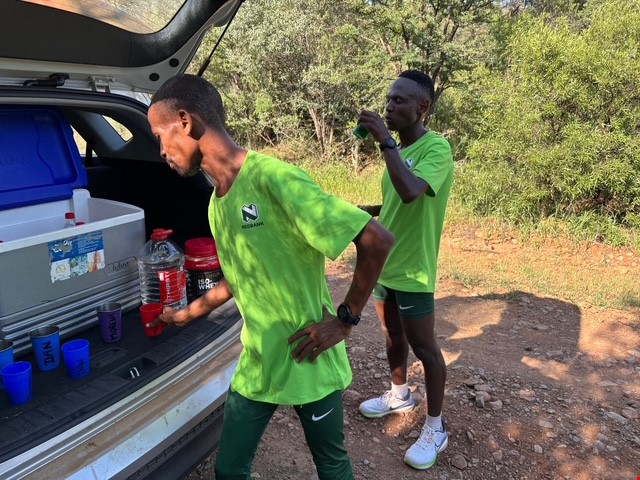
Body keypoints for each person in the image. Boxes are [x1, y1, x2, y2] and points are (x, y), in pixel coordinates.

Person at [145, 74, 394, 480]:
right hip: (259, 362)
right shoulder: (217, 204)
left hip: (308, 355)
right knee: (229, 470)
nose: (161, 151)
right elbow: (240, 276)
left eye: (160, 136)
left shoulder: (275, 178)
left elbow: (376, 239)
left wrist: (345, 320)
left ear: (185, 122)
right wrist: (184, 315)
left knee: (331, 466)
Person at [354, 70, 454, 470]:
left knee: (425, 347)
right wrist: (367, 212)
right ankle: (399, 394)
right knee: (391, 334)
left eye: (399, 100)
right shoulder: (399, 151)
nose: (390, 106)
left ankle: (435, 427)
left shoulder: (437, 148)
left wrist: (385, 141)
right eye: (389, 99)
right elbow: (397, 198)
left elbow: (413, 192)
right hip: (386, 264)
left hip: (413, 268)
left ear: (422, 107)